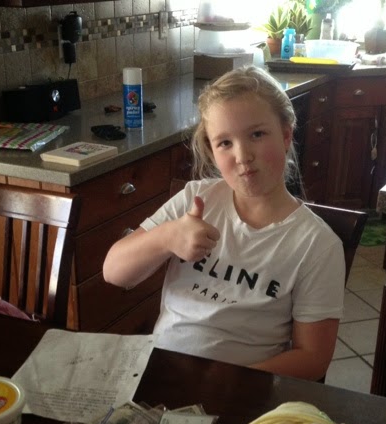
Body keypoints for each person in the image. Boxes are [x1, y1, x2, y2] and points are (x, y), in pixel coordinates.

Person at [103, 66, 344, 381]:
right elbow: (114, 272)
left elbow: (312, 359)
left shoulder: (317, 245)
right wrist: (167, 236)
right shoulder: (195, 200)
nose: (243, 156)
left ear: (286, 135)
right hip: (162, 374)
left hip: (241, 391)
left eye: (257, 134)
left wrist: (225, 384)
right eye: (225, 143)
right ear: (212, 151)